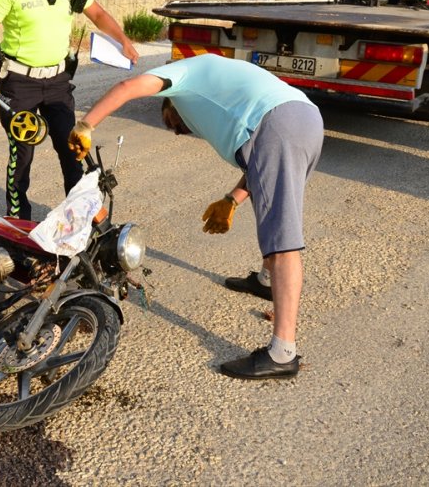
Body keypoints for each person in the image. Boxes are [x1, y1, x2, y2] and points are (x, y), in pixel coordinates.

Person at [68, 54, 324, 380]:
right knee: (274, 209)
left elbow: (128, 86)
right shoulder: (221, 87)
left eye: (168, 122)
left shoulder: (183, 75)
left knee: (282, 240)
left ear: (169, 103)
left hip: (279, 127)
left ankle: (282, 353)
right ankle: (264, 281)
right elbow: (260, 166)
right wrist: (233, 199)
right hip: (298, 120)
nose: (175, 131)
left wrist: (87, 123)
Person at [0, 0, 139, 220]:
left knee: (72, 149)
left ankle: (77, 215)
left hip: (58, 83)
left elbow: (98, 15)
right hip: (18, 84)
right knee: (21, 157)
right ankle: (18, 220)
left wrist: (123, 40)